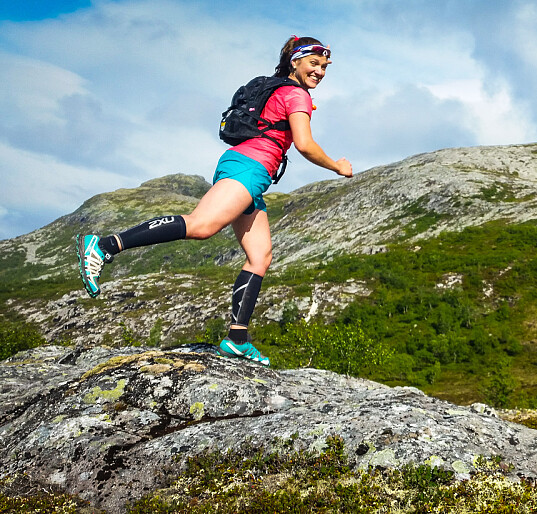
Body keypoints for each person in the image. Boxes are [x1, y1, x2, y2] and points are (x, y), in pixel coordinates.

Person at [75, 36, 353, 366]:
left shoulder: (279, 89)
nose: (320, 71)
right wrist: (336, 165)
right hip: (250, 167)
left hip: (248, 169)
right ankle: (105, 246)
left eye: (324, 67)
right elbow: (305, 145)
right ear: (295, 62)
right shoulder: (296, 95)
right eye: (314, 64)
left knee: (260, 255)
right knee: (202, 225)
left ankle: (237, 338)